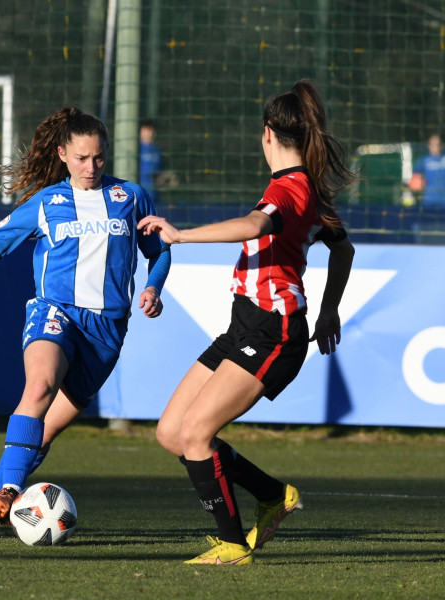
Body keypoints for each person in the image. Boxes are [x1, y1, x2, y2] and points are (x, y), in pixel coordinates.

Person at [0, 106, 172, 539]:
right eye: (81, 158)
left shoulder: (132, 197)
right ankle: (8, 492)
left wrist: (153, 288)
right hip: (53, 312)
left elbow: (159, 250)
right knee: (38, 388)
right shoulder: (47, 202)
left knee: (43, 433)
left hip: (107, 331)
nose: (90, 167)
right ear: (61, 154)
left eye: (98, 158)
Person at [138, 79, 356, 566]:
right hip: (244, 327)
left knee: (196, 434)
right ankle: (274, 496)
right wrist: (329, 306)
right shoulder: (308, 191)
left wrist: (180, 236)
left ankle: (233, 545)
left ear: (267, 136)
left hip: (272, 332)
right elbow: (344, 249)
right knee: (173, 432)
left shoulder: (290, 189)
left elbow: (256, 225)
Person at [411, 134, 445, 207]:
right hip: (427, 200)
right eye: (432, 144)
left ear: (442, 145)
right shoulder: (423, 160)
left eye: (438, 144)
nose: (436, 147)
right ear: (428, 146)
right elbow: (415, 179)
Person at [139, 120, 163, 200]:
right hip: (138, 194)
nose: (148, 133)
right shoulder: (136, 148)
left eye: (150, 130)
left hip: (154, 195)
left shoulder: (158, 150)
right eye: (146, 129)